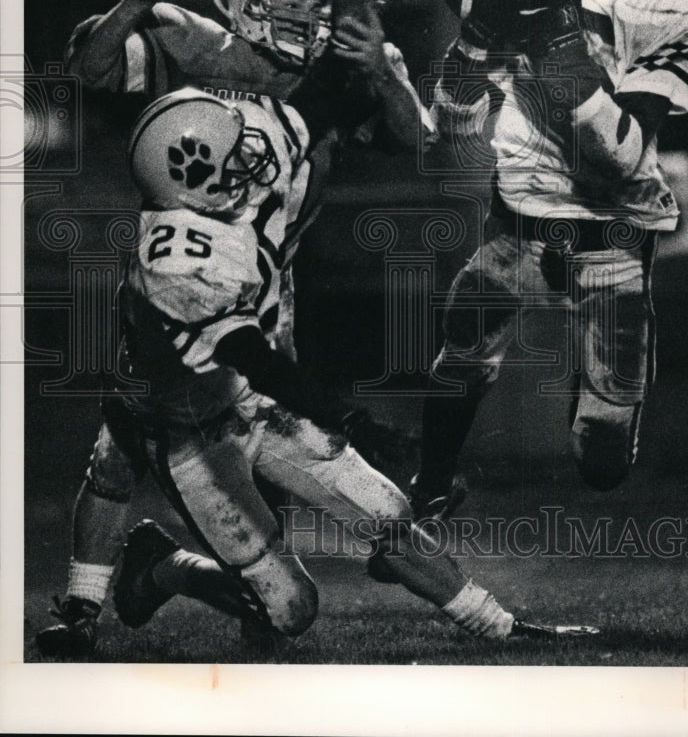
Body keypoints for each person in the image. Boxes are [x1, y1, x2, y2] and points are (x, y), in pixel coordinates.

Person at [35, 0, 432, 657]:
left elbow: (417, 139)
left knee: (259, 495)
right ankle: (81, 607)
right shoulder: (199, 45)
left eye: (318, 5)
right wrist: (138, 1)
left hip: (269, 294)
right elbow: (89, 68)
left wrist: (383, 70)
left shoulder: (347, 68)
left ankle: (172, 572)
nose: (305, 18)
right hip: (182, 271)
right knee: (126, 436)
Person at [92, 88, 597, 649]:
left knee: (387, 514)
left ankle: (501, 629)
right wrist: (355, 422)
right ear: (196, 177)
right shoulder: (179, 263)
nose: (252, 159)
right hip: (197, 436)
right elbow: (255, 360)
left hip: (252, 400)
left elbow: (337, 124)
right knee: (292, 609)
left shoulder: (216, 200)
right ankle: (162, 567)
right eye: (234, 154)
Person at [406, 0, 688, 520]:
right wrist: (470, 48)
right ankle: (430, 485)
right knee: (463, 346)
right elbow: (454, 134)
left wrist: (558, 48)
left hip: (613, 223)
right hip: (520, 216)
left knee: (602, 456)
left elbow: (618, 154)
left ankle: (601, 407)